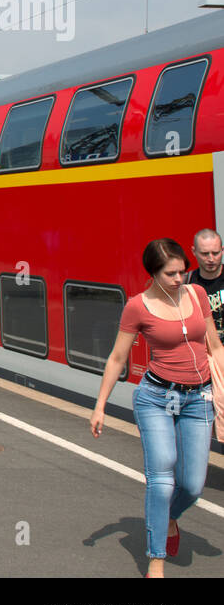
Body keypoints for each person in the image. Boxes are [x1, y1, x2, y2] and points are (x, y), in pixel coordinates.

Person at [91, 238, 222, 577]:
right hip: (157, 399)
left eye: (182, 272)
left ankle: (169, 518)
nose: (180, 279)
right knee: (161, 480)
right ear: (153, 274)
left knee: (193, 485)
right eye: (171, 274)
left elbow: (215, 345)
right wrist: (100, 405)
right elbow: (118, 358)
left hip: (199, 399)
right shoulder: (138, 306)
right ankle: (156, 559)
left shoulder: (197, 295)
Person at [188, 228, 224, 334]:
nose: (211, 259)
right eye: (205, 254)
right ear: (194, 252)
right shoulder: (186, 283)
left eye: (215, 253)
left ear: (222, 250)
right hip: (201, 347)